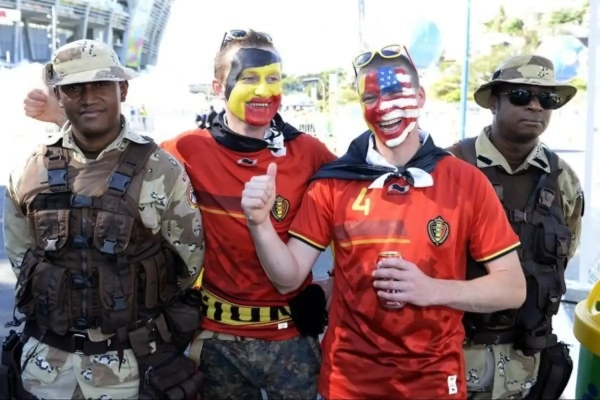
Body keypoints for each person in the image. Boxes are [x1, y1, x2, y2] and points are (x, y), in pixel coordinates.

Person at [21, 30, 337, 399]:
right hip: (216, 343)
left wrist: (337, 280)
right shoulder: (186, 149)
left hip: (292, 339)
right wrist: (60, 117)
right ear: (218, 87)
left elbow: (353, 207)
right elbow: (114, 152)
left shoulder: (310, 152)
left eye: (273, 78)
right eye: (248, 78)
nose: (263, 90)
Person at [241, 44, 527, 399]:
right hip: (348, 382)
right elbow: (288, 278)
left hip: (434, 381)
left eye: (394, 93)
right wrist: (259, 223)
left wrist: (433, 289)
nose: (383, 107)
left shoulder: (465, 181)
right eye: (370, 97)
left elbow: (512, 288)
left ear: (420, 97)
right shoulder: (334, 182)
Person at [3, 39, 205, 400]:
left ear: (122, 90)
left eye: (100, 84)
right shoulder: (29, 169)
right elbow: (22, 257)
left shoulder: (162, 169)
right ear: (58, 96)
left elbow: (188, 263)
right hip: (46, 372)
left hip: (130, 371)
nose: (88, 97)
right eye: (74, 88)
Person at [446, 55, 584, 400]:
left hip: (527, 367)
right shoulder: (450, 169)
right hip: (452, 359)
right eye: (521, 95)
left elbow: (565, 253)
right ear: (494, 102)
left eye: (547, 99)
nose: (536, 106)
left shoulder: (563, 180)